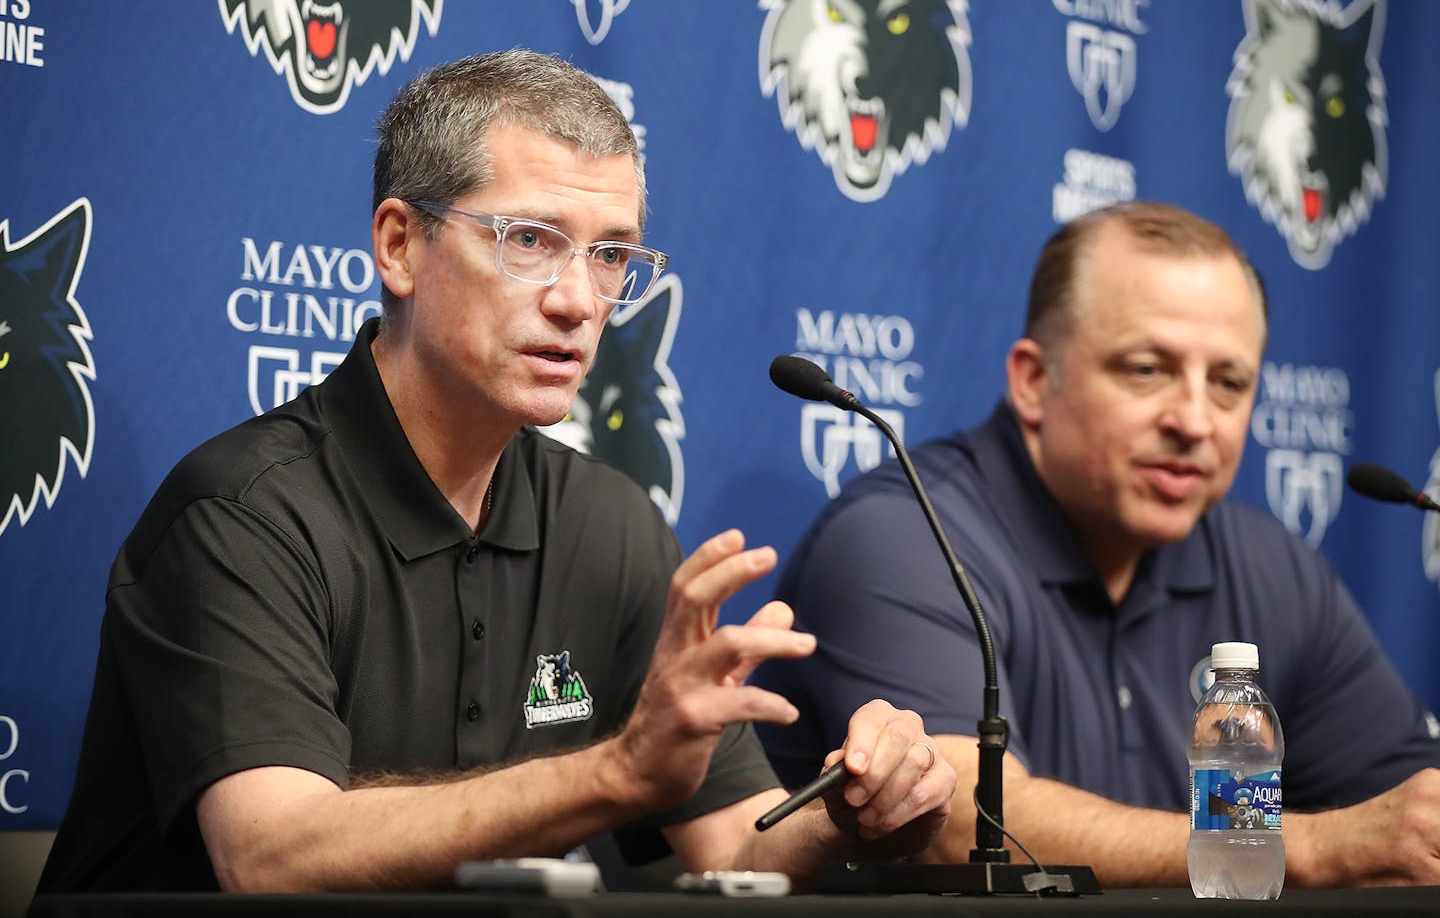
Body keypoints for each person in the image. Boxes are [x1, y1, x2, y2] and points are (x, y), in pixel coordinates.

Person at [37, 50, 955, 893]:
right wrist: (614, 772)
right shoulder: (243, 515)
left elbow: (736, 852)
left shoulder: (611, 524)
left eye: (609, 255)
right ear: (399, 245)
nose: (578, 302)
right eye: (529, 240)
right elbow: (272, 857)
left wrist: (847, 813)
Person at [753, 201, 1440, 888]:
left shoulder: (1277, 571)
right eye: (1147, 369)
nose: (1195, 420)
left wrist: (1386, 841)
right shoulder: (902, 536)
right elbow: (962, 818)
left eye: (1228, 384)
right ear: (1032, 380)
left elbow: (1405, 823)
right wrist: (1312, 847)